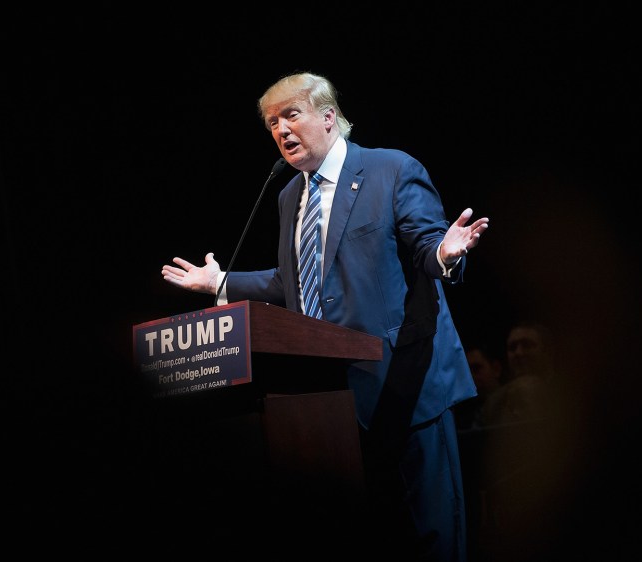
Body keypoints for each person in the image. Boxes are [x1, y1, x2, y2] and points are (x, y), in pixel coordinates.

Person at [161, 72, 490, 561]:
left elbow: (427, 244)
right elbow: (292, 283)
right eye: (273, 122)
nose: (282, 130)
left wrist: (445, 252)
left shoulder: (391, 169)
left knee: (435, 538)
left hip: (405, 386)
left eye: (292, 115)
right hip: (330, 401)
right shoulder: (289, 195)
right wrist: (221, 284)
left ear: (329, 117)